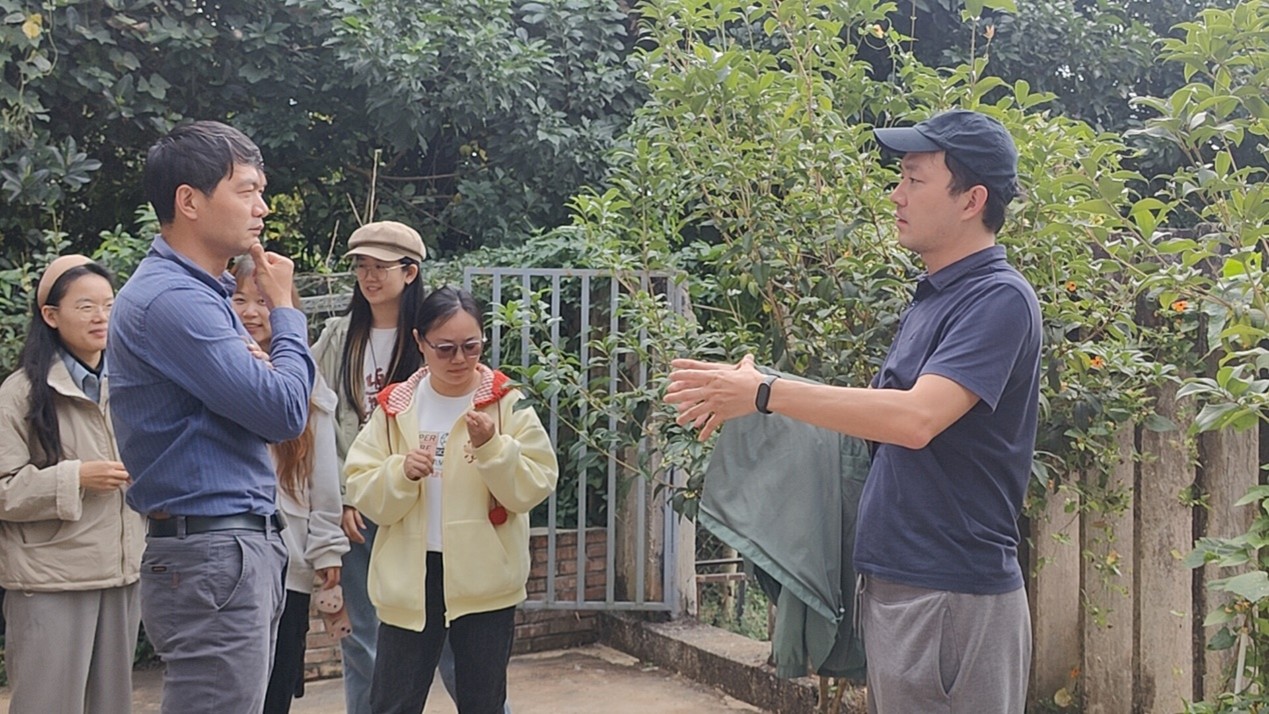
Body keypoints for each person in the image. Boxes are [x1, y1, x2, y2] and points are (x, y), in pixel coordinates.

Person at [665, 109, 1039, 713]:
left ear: (972, 200)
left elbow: (915, 420)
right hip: (900, 583)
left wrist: (767, 392)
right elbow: (877, 422)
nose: (897, 195)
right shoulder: (935, 297)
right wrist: (756, 389)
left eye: (914, 180)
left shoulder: (998, 298)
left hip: (952, 594)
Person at [107, 120, 315, 712]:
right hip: (213, 551)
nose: (262, 207)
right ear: (189, 201)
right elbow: (284, 410)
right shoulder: (174, 300)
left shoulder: (204, 295)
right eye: (247, 190)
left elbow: (273, 399)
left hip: (222, 548)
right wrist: (284, 310)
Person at [344, 286, 558, 714]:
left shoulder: (505, 402)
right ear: (420, 342)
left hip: (485, 581)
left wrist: (493, 447)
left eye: (471, 346)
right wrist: (401, 473)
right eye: (445, 348)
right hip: (410, 578)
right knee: (392, 703)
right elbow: (360, 484)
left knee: (483, 703)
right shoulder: (395, 407)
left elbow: (536, 483)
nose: (459, 359)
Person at [0, 255, 144, 714]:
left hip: (123, 573)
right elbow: (4, 489)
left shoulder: (133, 382)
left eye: (109, 305)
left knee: (112, 705)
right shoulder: (20, 394)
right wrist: (75, 477)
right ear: (50, 315)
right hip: (50, 581)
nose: (101, 317)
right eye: (85, 307)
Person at [310, 220, 426, 714]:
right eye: (361, 266)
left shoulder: (430, 336)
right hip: (355, 509)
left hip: (418, 505)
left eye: (381, 266)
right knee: (360, 637)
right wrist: (342, 496)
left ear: (410, 272)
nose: (369, 276)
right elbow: (316, 417)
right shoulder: (339, 335)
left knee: (442, 634)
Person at [229, 257, 350, 714]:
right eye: (239, 299)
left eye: (264, 301)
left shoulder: (305, 378)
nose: (251, 311)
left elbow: (323, 475)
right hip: (231, 558)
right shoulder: (211, 369)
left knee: (277, 688)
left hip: (290, 560)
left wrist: (327, 549)